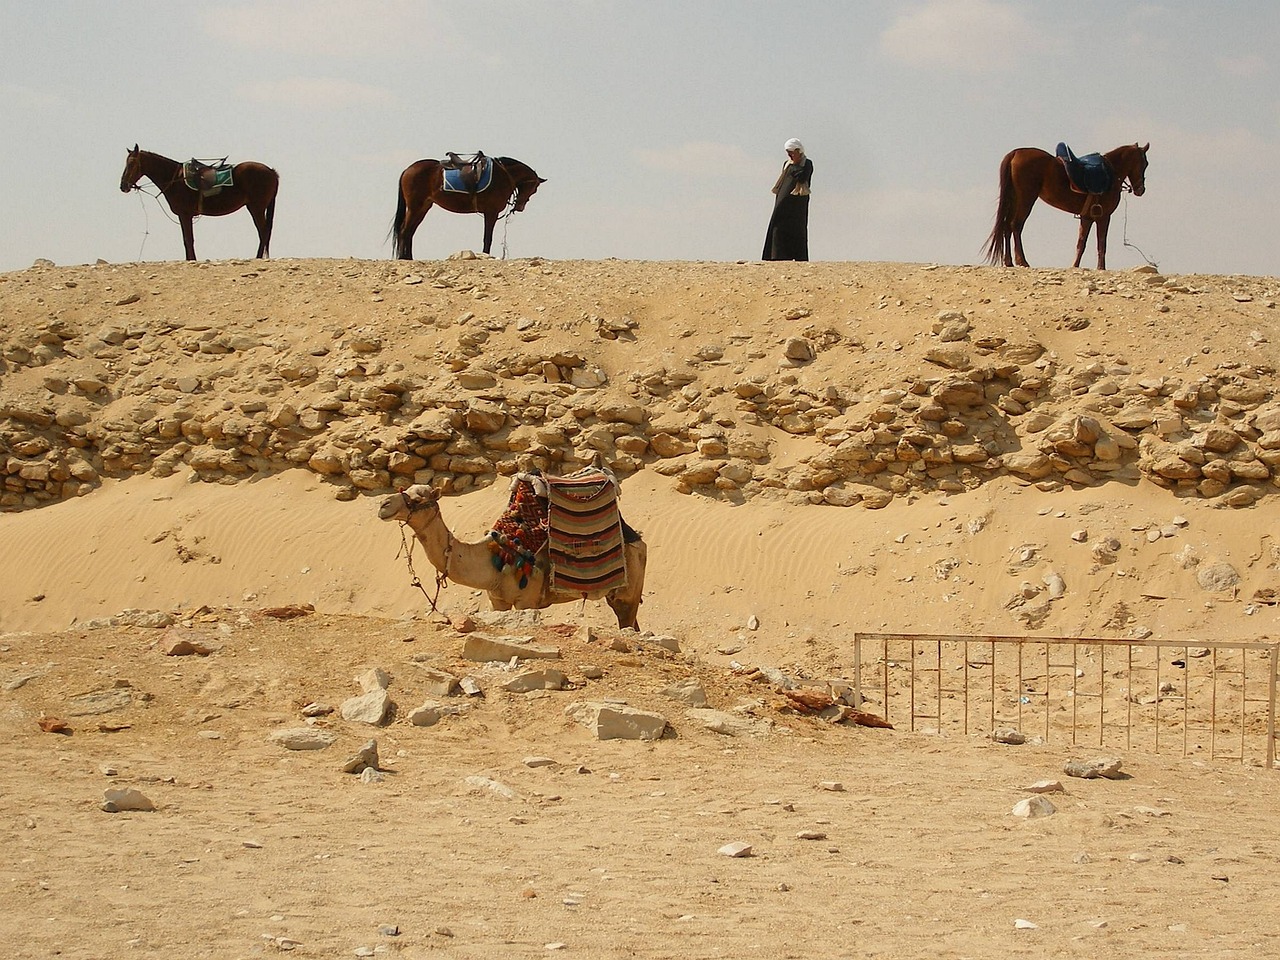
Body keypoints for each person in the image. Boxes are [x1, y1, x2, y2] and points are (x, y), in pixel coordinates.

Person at [762, 138, 813, 261]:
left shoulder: (807, 163)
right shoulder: (787, 164)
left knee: (798, 229)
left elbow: (802, 178)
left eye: (792, 153)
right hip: (783, 202)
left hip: (798, 203)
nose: (790, 156)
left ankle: (798, 256)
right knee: (778, 227)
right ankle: (777, 256)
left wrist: (795, 167)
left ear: (798, 151)